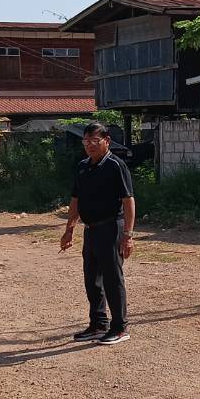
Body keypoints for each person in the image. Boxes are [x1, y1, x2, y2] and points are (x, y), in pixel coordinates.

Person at [60, 123, 135, 345]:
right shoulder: (83, 166)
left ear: (106, 141)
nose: (89, 145)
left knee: (112, 279)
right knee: (92, 280)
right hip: (91, 229)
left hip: (111, 228)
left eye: (94, 141)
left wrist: (128, 235)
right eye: (86, 141)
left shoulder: (115, 165)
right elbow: (75, 200)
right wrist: (69, 230)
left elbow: (128, 201)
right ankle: (98, 324)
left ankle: (120, 327)